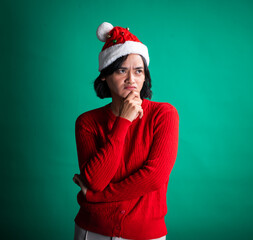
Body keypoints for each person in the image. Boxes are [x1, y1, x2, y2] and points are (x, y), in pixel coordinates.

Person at [73, 22, 179, 240]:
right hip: (93, 231)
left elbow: (154, 178)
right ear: (105, 75)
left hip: (145, 234)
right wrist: (123, 121)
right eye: (122, 70)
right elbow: (95, 180)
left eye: (138, 71)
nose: (132, 80)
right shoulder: (87, 122)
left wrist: (95, 197)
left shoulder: (164, 114)